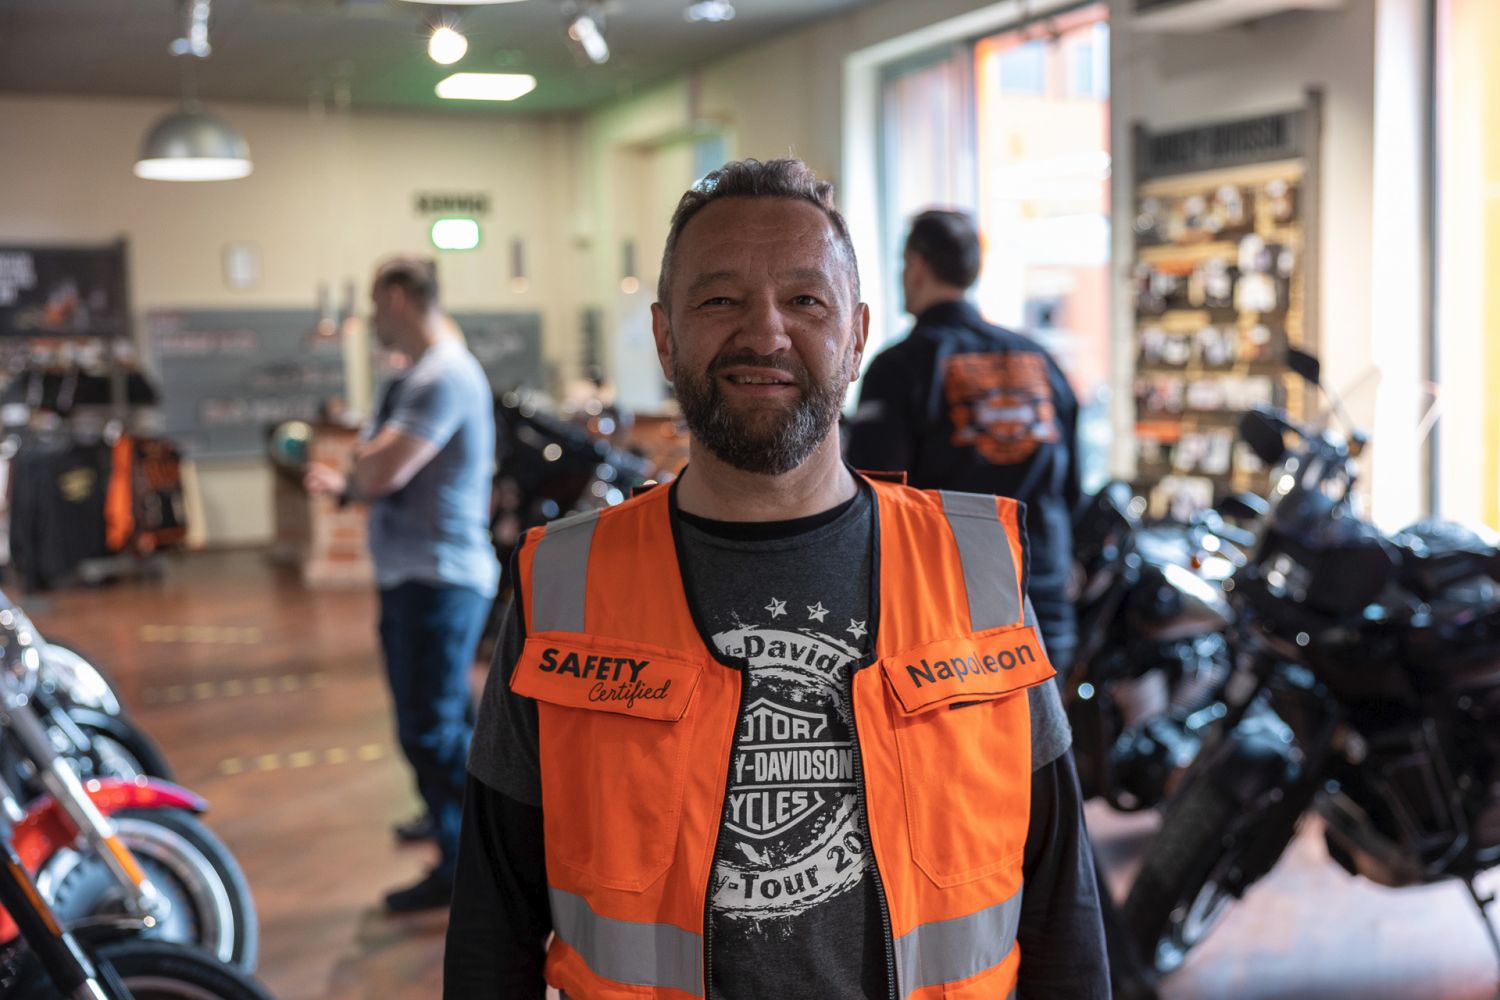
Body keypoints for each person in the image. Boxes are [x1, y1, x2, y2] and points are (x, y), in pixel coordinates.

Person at [444, 160, 1108, 998]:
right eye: (720, 299)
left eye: (805, 299)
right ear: (665, 337)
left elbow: (1060, 904)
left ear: (857, 336)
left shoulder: (974, 573)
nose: (765, 333)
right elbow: (492, 922)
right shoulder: (564, 586)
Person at [304, 257, 499, 912]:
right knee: (447, 725)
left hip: (437, 579)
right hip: (424, 576)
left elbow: (381, 470)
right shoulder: (421, 374)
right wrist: (361, 469)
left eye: (374, 304)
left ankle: (464, 859)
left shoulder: (441, 375)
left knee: (429, 731)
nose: (372, 319)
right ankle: (459, 821)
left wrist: (360, 468)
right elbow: (371, 463)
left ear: (397, 297)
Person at [845, 210, 1083, 674]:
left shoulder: (901, 367)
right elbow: (1071, 488)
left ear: (916, 266)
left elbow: (873, 497)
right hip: (1043, 604)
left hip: (949, 617)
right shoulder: (1038, 360)